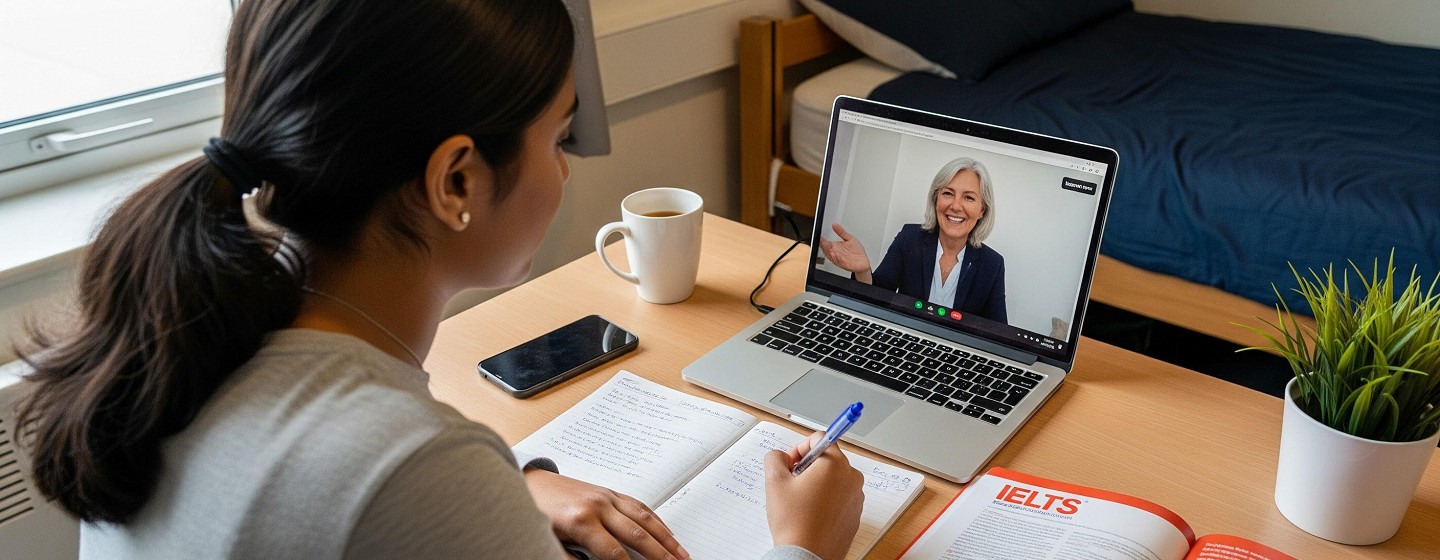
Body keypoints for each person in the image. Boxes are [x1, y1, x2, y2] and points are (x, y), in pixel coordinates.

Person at [14, 1, 864, 559]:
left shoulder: (180, 338)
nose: (567, 174)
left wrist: (519, 487)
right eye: (559, 138)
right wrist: (803, 547)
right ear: (455, 181)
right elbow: (388, 483)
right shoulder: (412, 462)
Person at [820, 157, 1007, 323]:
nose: (956, 206)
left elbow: (999, 335)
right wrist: (862, 271)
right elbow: (876, 301)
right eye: (948, 193)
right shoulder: (909, 238)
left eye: (968, 197)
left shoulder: (993, 264)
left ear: (982, 210)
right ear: (936, 200)